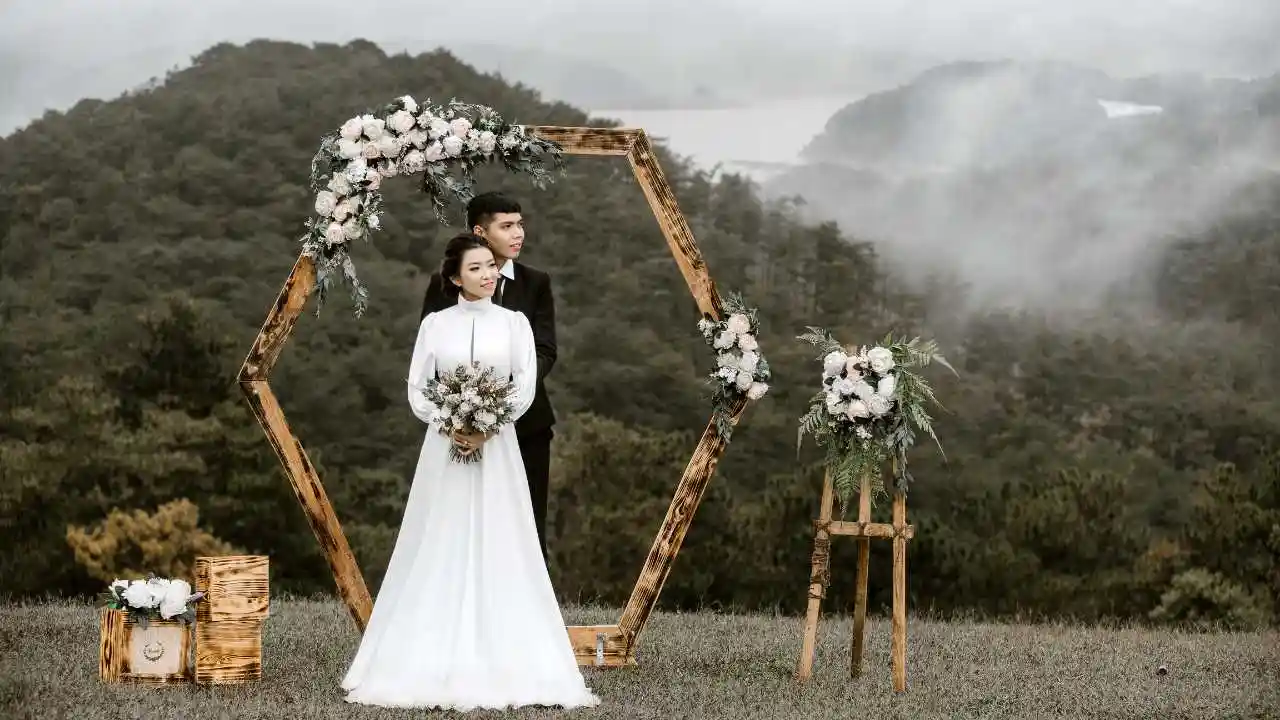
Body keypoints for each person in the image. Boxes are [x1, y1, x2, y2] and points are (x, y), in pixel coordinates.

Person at [340, 234, 599, 711]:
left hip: (498, 449)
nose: (488, 274)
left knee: (504, 534)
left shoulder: (516, 324)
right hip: (444, 448)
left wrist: (489, 425)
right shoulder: (436, 325)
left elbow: (524, 386)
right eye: (476, 268)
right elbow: (419, 386)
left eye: (491, 266)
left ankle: (508, 651)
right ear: (456, 278)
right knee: (440, 532)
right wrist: (450, 422)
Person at [420, 191, 558, 561]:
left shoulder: (535, 282)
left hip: (527, 426)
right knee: (455, 524)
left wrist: (500, 402)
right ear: (481, 232)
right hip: (457, 428)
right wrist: (462, 412)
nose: (519, 234)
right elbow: (431, 355)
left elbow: (545, 351)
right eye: (507, 226)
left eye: (520, 224)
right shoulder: (443, 285)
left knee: (527, 526)